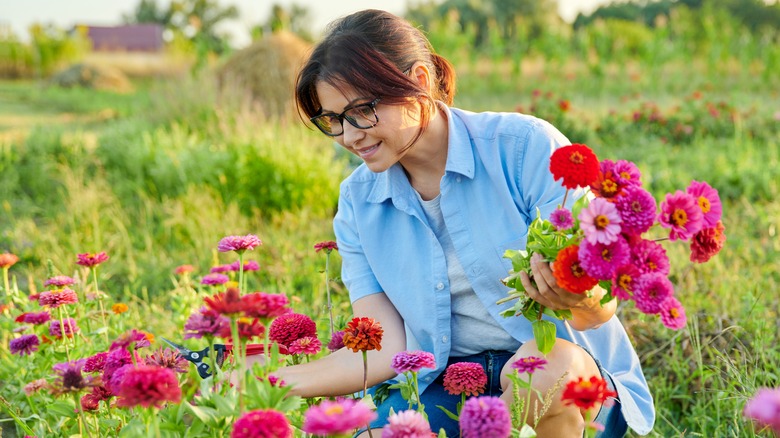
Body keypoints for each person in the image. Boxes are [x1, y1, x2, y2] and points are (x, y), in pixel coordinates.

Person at [272, 9, 655, 437]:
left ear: (418, 80)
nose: (349, 136)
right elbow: (383, 349)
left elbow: (597, 312)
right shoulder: (359, 202)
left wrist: (576, 297)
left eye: (361, 110)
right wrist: (266, 382)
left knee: (549, 365)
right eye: (333, 120)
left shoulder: (524, 149)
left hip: (570, 379)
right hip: (447, 383)